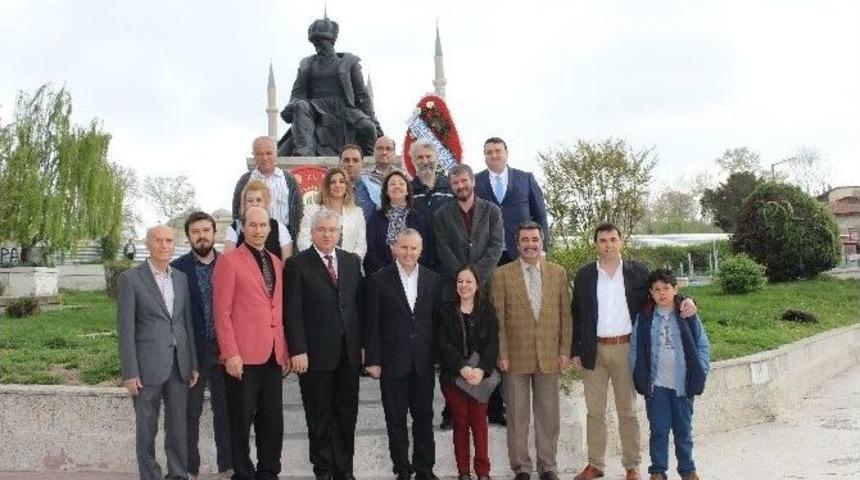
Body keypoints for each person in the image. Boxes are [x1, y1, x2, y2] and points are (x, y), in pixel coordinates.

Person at [571, 223, 696, 480]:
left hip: (626, 348)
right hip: (593, 350)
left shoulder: (636, 271)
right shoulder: (584, 275)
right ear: (595, 244)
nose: (608, 245)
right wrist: (575, 350)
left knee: (626, 410)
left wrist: (685, 300)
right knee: (594, 411)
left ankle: (632, 466)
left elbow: (660, 291)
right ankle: (595, 463)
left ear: (621, 242)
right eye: (603, 240)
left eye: (613, 239)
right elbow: (577, 313)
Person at [285, 209, 364, 480]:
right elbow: (292, 311)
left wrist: (363, 346)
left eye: (333, 230)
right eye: (323, 230)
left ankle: (344, 470)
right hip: (314, 356)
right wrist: (298, 349)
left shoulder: (352, 262)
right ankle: (324, 470)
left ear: (339, 233)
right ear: (312, 232)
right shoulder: (297, 264)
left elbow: (358, 307)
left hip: (349, 355)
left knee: (346, 416)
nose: (328, 234)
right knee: (319, 418)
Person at [213, 206, 289, 480]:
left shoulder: (277, 262)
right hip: (242, 357)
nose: (258, 230)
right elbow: (221, 313)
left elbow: (277, 308)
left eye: (263, 225)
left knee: (272, 422)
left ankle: (269, 472)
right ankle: (243, 473)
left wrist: (285, 349)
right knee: (241, 421)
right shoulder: (229, 261)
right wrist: (230, 352)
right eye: (253, 225)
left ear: (270, 229)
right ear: (243, 228)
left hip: (272, 355)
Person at [117, 225, 198, 480]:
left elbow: (186, 324)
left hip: (178, 364)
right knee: (146, 427)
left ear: (175, 245)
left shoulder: (181, 278)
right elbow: (125, 329)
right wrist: (130, 372)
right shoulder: (130, 279)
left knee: (177, 426)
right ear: (148, 244)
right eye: (159, 240)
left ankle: (177, 473)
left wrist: (193, 363)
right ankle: (150, 474)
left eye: (169, 241)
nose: (165, 245)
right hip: (146, 367)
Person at [492, 222, 572, 480]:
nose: (530, 244)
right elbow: (498, 319)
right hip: (514, 355)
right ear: (517, 244)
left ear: (542, 242)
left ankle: (548, 466)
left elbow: (565, 316)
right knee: (517, 415)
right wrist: (501, 352)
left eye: (534, 239)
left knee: (549, 415)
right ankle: (522, 468)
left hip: (549, 355)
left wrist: (564, 351)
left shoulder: (558, 273)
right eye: (525, 240)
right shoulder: (502, 275)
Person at [365, 229, 442, 480]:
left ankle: (425, 469)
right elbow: (372, 323)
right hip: (391, 363)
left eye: (413, 248)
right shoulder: (378, 280)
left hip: (423, 362)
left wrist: (438, 358)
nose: (409, 253)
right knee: (395, 420)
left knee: (424, 418)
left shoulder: (433, 279)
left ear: (421, 251)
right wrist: (373, 361)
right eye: (404, 247)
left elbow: (436, 321)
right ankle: (402, 469)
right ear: (394, 249)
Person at [629, 269, 710, 480]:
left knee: (683, 431)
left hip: (682, 385)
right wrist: (639, 375)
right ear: (651, 293)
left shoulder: (687, 315)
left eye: (666, 288)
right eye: (657, 289)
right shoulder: (645, 318)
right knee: (659, 430)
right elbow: (635, 350)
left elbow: (702, 345)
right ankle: (657, 471)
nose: (662, 293)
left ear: (675, 289)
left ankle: (688, 470)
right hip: (656, 386)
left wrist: (700, 369)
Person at [170, 212, 232, 478]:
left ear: (215, 233)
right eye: (195, 232)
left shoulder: (229, 264)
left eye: (206, 230)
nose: (202, 236)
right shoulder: (177, 269)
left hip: (225, 348)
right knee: (189, 412)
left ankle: (228, 466)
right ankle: (188, 469)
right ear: (188, 236)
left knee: (226, 411)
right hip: (193, 351)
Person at [278, 16, 383, 156]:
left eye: (321, 41)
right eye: (315, 42)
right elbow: (297, 94)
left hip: (344, 108)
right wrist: (291, 105)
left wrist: (372, 119)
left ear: (331, 41)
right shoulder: (307, 65)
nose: (318, 46)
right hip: (315, 106)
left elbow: (362, 95)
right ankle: (304, 153)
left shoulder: (349, 63)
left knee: (368, 128)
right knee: (300, 106)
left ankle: (370, 160)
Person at [437, 265, 499, 480]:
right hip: (453, 378)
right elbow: (442, 343)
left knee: (480, 423)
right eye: (460, 281)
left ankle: (483, 472)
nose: (463, 286)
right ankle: (463, 471)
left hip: (480, 378)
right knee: (461, 422)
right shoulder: (446, 311)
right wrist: (462, 367)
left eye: (468, 281)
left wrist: (481, 370)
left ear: (477, 284)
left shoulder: (487, 309)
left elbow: (493, 343)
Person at [433, 164, 504, 299]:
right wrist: (462, 278)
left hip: (485, 285)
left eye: (464, 181)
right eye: (455, 182)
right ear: (450, 186)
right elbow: (443, 249)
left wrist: (475, 275)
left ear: (473, 181)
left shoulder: (492, 211)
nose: (460, 186)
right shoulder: (441, 215)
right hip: (453, 287)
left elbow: (496, 247)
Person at [475, 137, 549, 264]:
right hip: (487, 254)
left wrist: (543, 249)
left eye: (498, 151)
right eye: (489, 152)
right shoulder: (475, 181)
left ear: (506, 153)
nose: (494, 155)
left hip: (521, 251)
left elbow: (540, 216)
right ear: (484, 156)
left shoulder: (526, 179)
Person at [232, 136, 303, 241]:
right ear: (253, 156)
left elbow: (298, 210)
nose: (264, 158)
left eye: (269, 153)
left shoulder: (289, 180)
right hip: (252, 240)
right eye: (259, 154)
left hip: (282, 241)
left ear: (276, 153)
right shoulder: (245, 180)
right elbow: (236, 211)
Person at [364, 170, 433, 274]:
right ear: (386, 191)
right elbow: (371, 249)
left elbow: (426, 248)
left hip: (413, 274)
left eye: (401, 184)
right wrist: (385, 272)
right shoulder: (376, 217)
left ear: (407, 191)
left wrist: (412, 272)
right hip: (383, 275)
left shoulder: (419, 218)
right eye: (392, 184)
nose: (397, 186)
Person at [297, 166, 367, 259]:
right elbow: (303, 241)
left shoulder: (357, 213)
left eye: (342, 181)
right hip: (317, 266)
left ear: (346, 186)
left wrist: (349, 263)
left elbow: (361, 246)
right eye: (333, 182)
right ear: (326, 186)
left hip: (349, 267)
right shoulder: (311, 211)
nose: (337, 185)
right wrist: (321, 261)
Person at [226, 180, 293, 259]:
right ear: (244, 203)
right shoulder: (235, 228)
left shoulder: (280, 228)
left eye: (259, 200)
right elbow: (228, 259)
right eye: (250, 200)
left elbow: (287, 264)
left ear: (266, 202)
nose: (254, 204)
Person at [355, 136, 399, 219]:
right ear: (374, 151)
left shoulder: (403, 178)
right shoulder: (362, 177)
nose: (384, 152)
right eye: (380, 148)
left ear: (394, 153)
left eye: (388, 149)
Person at [410, 139, 453, 221]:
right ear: (413, 161)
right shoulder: (407, 190)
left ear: (437, 159)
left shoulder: (450, 187)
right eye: (420, 157)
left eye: (428, 156)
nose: (425, 161)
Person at [338, 144, 374, 216]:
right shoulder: (329, 189)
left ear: (362, 164)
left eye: (355, 160)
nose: (350, 164)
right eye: (346, 160)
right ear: (339, 163)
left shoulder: (372, 190)